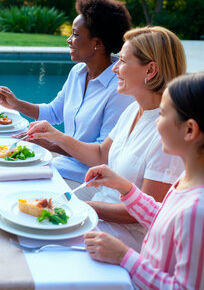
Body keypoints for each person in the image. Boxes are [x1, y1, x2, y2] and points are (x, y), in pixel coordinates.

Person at [25, 26, 186, 250]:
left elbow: (143, 213)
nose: (115, 69)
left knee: (40, 242)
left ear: (150, 71)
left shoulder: (166, 134)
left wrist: (81, 206)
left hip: (125, 238)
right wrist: (56, 136)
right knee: (29, 224)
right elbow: (102, 154)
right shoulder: (133, 111)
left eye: (122, 61)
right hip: (99, 213)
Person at [0, 0, 134, 197]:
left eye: (76, 34)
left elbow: (103, 158)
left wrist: (53, 143)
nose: (69, 40)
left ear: (97, 43)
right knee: (2, 171)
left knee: (18, 190)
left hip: (89, 181)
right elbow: (53, 112)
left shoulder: (119, 90)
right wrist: (16, 104)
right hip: (62, 165)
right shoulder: (78, 73)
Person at [83, 72, 204, 289]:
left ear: (189, 130)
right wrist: (126, 188)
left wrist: (124, 256)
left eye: (163, 114)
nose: (156, 121)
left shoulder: (197, 210)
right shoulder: (186, 179)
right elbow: (162, 220)